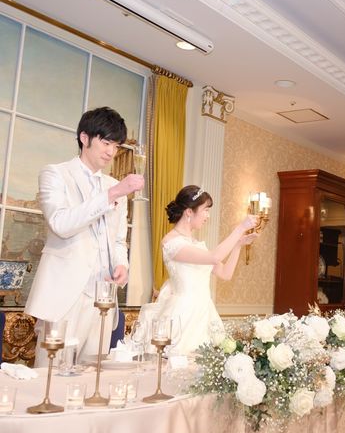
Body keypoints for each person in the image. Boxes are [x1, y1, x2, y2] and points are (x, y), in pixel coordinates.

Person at [25, 107, 144, 366]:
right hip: (64, 296)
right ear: (84, 137)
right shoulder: (55, 174)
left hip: (103, 297)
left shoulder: (114, 186)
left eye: (116, 145)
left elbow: (118, 240)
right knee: (51, 375)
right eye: (106, 142)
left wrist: (122, 265)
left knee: (92, 378)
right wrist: (112, 195)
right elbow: (60, 223)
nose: (111, 151)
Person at [138, 185, 258, 354]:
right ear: (189, 212)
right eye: (205, 210)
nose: (207, 216)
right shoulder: (172, 242)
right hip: (183, 315)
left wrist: (238, 245)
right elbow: (214, 257)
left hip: (204, 312)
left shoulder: (197, 245)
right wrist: (239, 229)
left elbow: (225, 274)